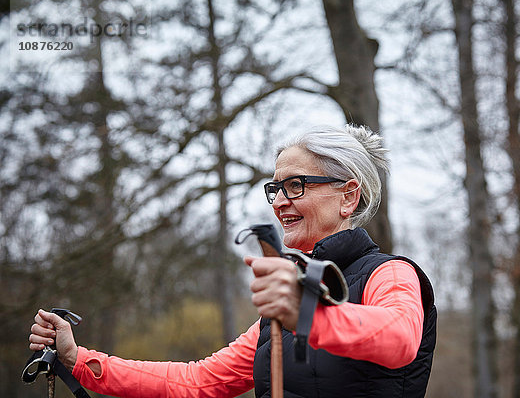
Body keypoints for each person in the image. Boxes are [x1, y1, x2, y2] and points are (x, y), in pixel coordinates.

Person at [29, 124, 437, 398]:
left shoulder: (391, 273)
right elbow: (196, 381)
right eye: (275, 188)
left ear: (349, 195)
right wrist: (78, 359)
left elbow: (398, 340)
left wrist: (307, 313)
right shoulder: (286, 305)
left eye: (296, 185)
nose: (279, 201)